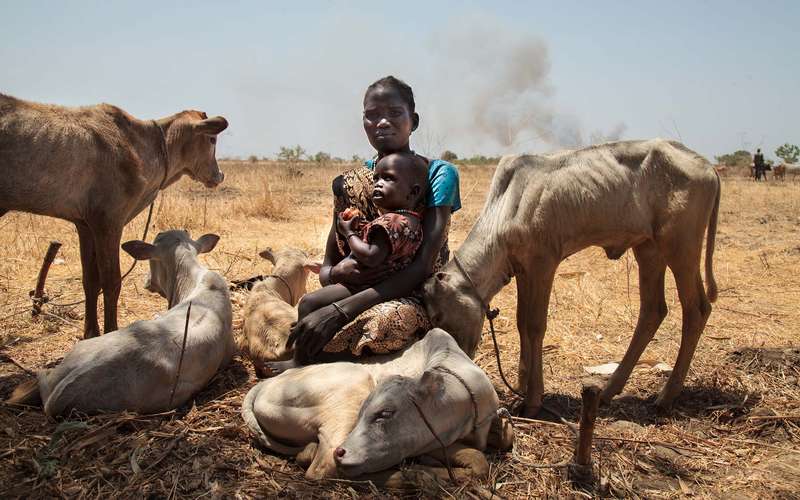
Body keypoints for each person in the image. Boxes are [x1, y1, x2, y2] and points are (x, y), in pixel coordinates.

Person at [287, 75, 461, 362]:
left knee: (383, 323)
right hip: (353, 290)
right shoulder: (350, 183)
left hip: (414, 293)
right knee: (311, 307)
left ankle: (317, 360)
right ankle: (305, 362)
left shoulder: (437, 174)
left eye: (394, 113)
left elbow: (424, 266)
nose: (382, 122)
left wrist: (341, 310)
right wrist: (337, 273)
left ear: (414, 121)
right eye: (372, 115)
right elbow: (328, 268)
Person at [266, 152, 429, 373]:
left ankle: (300, 359)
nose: (378, 184)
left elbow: (371, 256)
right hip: (386, 288)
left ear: (414, 191)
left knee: (308, 303)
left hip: (364, 284)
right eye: (376, 178)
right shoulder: (412, 221)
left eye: (388, 178)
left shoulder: (390, 222)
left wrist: (348, 233)